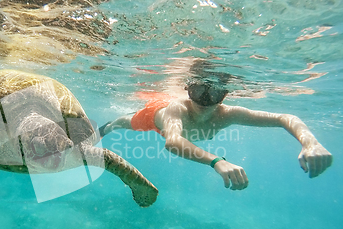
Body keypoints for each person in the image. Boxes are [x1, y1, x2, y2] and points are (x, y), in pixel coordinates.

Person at [99, 80, 333, 190]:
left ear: (225, 94)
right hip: (154, 117)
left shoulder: (229, 114)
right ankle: (106, 127)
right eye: (199, 91)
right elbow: (173, 141)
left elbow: (284, 118)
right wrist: (216, 161)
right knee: (124, 122)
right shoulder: (177, 109)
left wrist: (310, 143)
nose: (205, 100)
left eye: (215, 93)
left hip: (174, 123)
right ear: (188, 89)